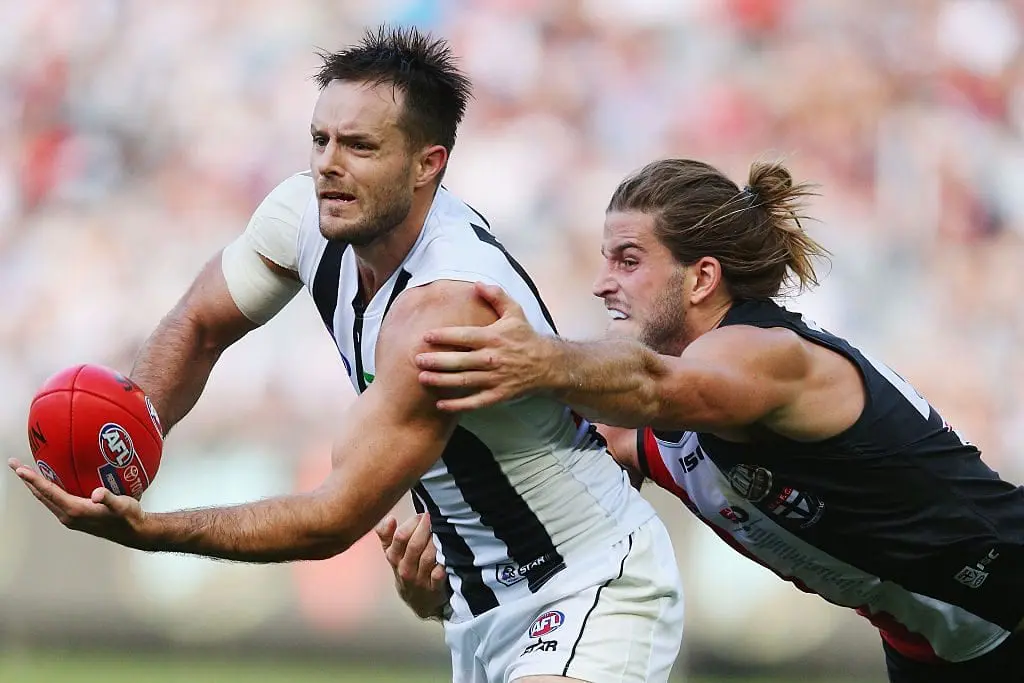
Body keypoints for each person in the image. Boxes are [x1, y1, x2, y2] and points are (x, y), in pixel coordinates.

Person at [7, 27, 684, 683]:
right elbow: (201, 323)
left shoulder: (446, 306)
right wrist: (134, 427)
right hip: (479, 606)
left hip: (590, 582)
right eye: (321, 139)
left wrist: (154, 531)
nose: (330, 163)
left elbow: (332, 517)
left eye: (359, 146)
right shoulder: (305, 215)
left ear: (429, 165)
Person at [396, 157, 1024, 682]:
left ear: (701, 278)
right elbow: (552, 542)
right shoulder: (639, 427)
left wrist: (540, 361)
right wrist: (446, 584)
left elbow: (652, 383)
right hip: (935, 649)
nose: (600, 284)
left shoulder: (769, 356)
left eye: (628, 260)